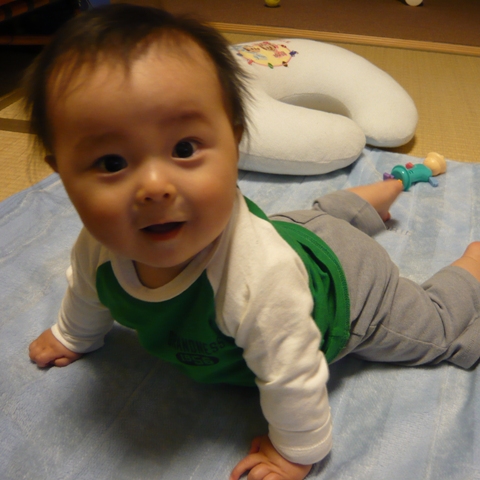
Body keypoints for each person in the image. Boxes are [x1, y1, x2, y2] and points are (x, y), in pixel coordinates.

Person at [26, 4, 480, 480]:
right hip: (297, 230)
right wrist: (72, 334)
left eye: (184, 149)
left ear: (235, 142)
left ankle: (470, 263)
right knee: (325, 216)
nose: (154, 187)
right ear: (62, 174)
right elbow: (86, 289)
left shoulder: (258, 278)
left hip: (352, 290)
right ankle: (384, 192)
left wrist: (295, 452)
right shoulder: (98, 246)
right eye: (112, 163)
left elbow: (293, 373)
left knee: (435, 330)